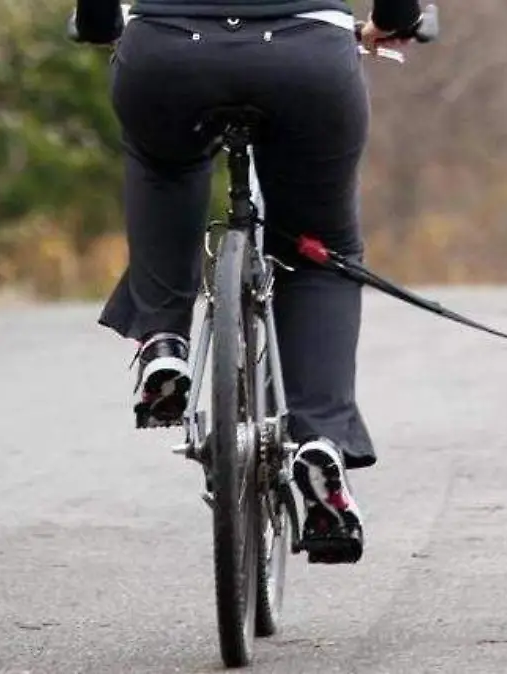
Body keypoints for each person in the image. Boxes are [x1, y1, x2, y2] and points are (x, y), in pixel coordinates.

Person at [73, 0, 424, 564]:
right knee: (319, 254)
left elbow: (97, 15)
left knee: (165, 165)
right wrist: (393, 22)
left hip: (167, 52)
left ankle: (164, 342)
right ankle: (317, 439)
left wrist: (97, 24)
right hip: (306, 58)